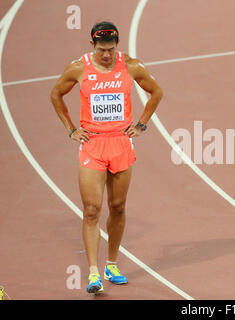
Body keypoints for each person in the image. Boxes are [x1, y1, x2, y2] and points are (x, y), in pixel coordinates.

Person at [50, 21, 163, 294]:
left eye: (111, 50)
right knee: (91, 210)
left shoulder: (131, 65)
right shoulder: (79, 68)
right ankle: (93, 274)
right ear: (92, 46)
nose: (106, 55)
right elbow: (56, 94)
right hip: (93, 144)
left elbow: (156, 92)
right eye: (102, 50)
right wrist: (71, 129)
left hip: (121, 144)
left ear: (117, 46)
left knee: (118, 207)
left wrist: (142, 124)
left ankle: (112, 264)